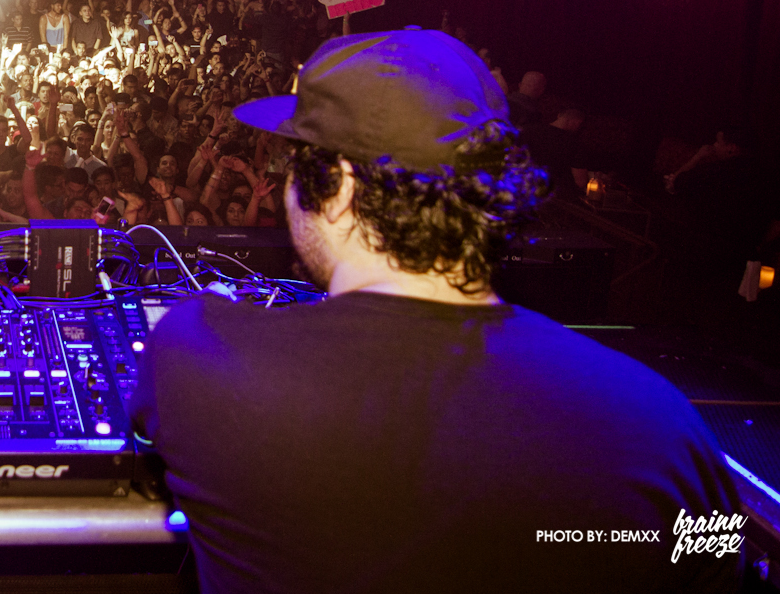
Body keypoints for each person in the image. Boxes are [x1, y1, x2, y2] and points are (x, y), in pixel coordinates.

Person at [131, 29, 741, 592]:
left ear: (340, 191)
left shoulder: (198, 355)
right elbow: (718, 567)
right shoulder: (659, 422)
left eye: (294, 165)